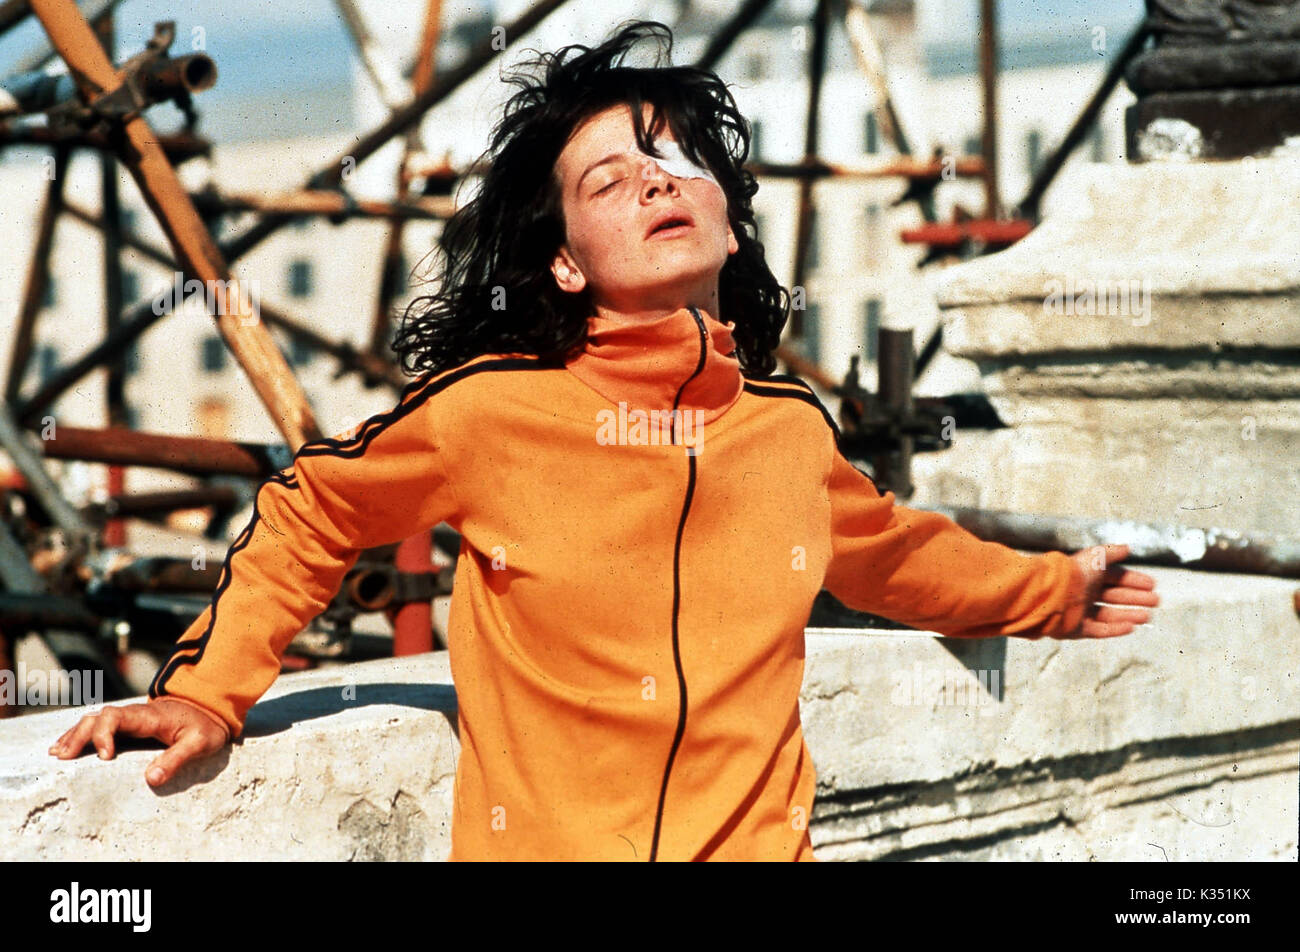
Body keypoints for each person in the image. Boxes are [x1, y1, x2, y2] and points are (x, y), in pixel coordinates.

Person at [47, 20, 1158, 861]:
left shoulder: (782, 434)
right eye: (608, 180)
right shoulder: (493, 412)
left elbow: (898, 557)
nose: (655, 181)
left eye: (675, 161)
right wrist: (207, 691)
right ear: (566, 261)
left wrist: (1054, 591)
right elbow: (314, 508)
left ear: (727, 211)